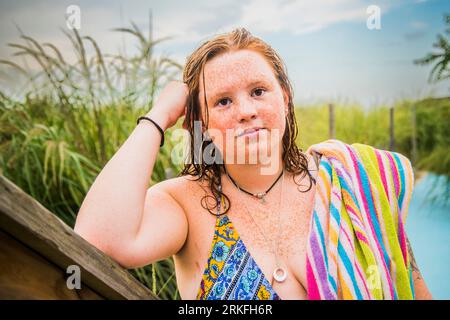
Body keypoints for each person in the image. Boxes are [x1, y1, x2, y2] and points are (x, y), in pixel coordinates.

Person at [74, 28, 432, 300]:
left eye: (258, 91)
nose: (246, 111)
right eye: (223, 102)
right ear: (201, 124)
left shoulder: (348, 179)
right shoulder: (186, 204)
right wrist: (158, 116)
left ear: (285, 98)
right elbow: (97, 241)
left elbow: (414, 288)